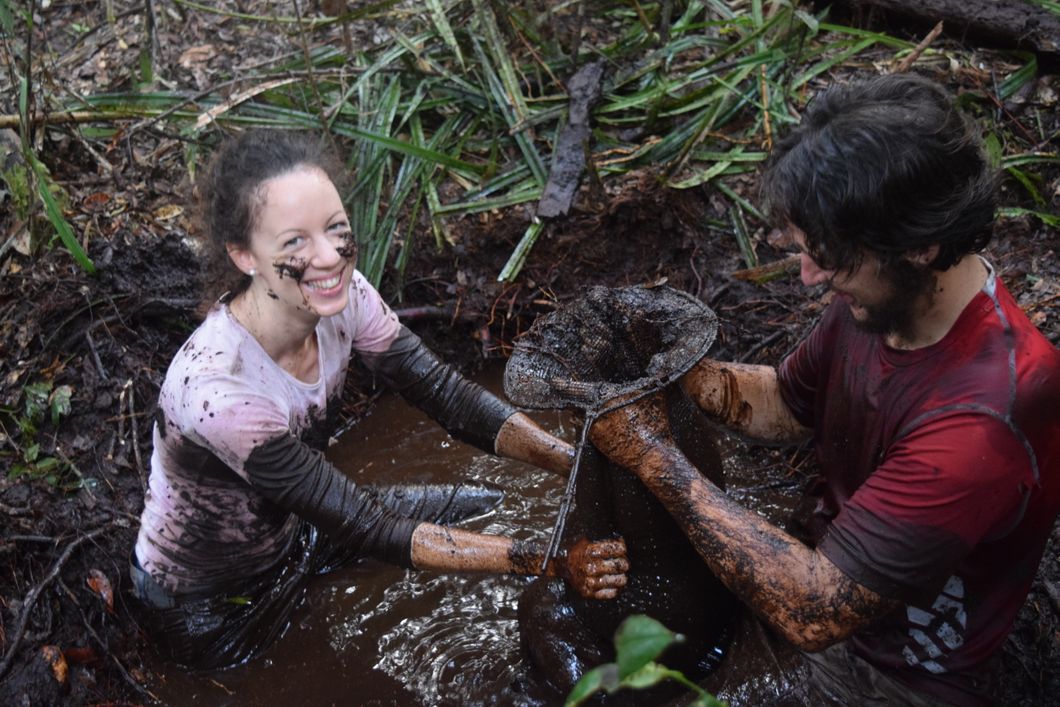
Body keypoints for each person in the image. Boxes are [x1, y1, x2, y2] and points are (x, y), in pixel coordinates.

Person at [587, 73, 1059, 705]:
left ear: (920, 246)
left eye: (831, 257)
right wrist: (680, 375)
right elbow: (787, 404)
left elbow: (813, 612)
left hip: (892, 673)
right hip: (826, 576)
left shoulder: (984, 416)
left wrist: (654, 458)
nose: (810, 276)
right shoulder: (884, 296)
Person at [130, 130, 628, 670]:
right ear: (244, 255)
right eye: (294, 242)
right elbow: (367, 526)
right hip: (210, 607)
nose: (329, 258)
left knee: (489, 505)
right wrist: (554, 562)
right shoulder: (220, 392)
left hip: (299, 534)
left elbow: (445, 394)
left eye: (335, 229)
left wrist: (575, 461)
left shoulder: (343, 297)